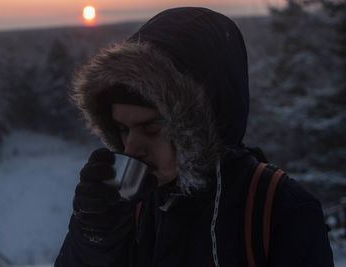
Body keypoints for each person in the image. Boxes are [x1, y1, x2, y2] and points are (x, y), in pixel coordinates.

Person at [55, 7, 334, 266]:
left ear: (201, 123)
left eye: (151, 129)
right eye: (123, 130)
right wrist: (93, 237)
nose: (130, 149)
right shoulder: (129, 207)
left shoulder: (280, 211)